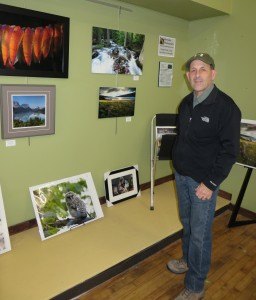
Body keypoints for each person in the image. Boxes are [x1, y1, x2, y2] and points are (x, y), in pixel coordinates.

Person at [167, 53, 241, 300]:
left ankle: (196, 286)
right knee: (187, 223)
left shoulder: (226, 108)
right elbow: (184, 138)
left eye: (203, 69)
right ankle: (188, 261)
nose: (197, 74)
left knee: (199, 234)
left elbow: (230, 152)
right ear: (188, 76)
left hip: (203, 184)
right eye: (193, 70)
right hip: (182, 176)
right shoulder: (186, 102)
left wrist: (209, 184)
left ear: (213, 73)